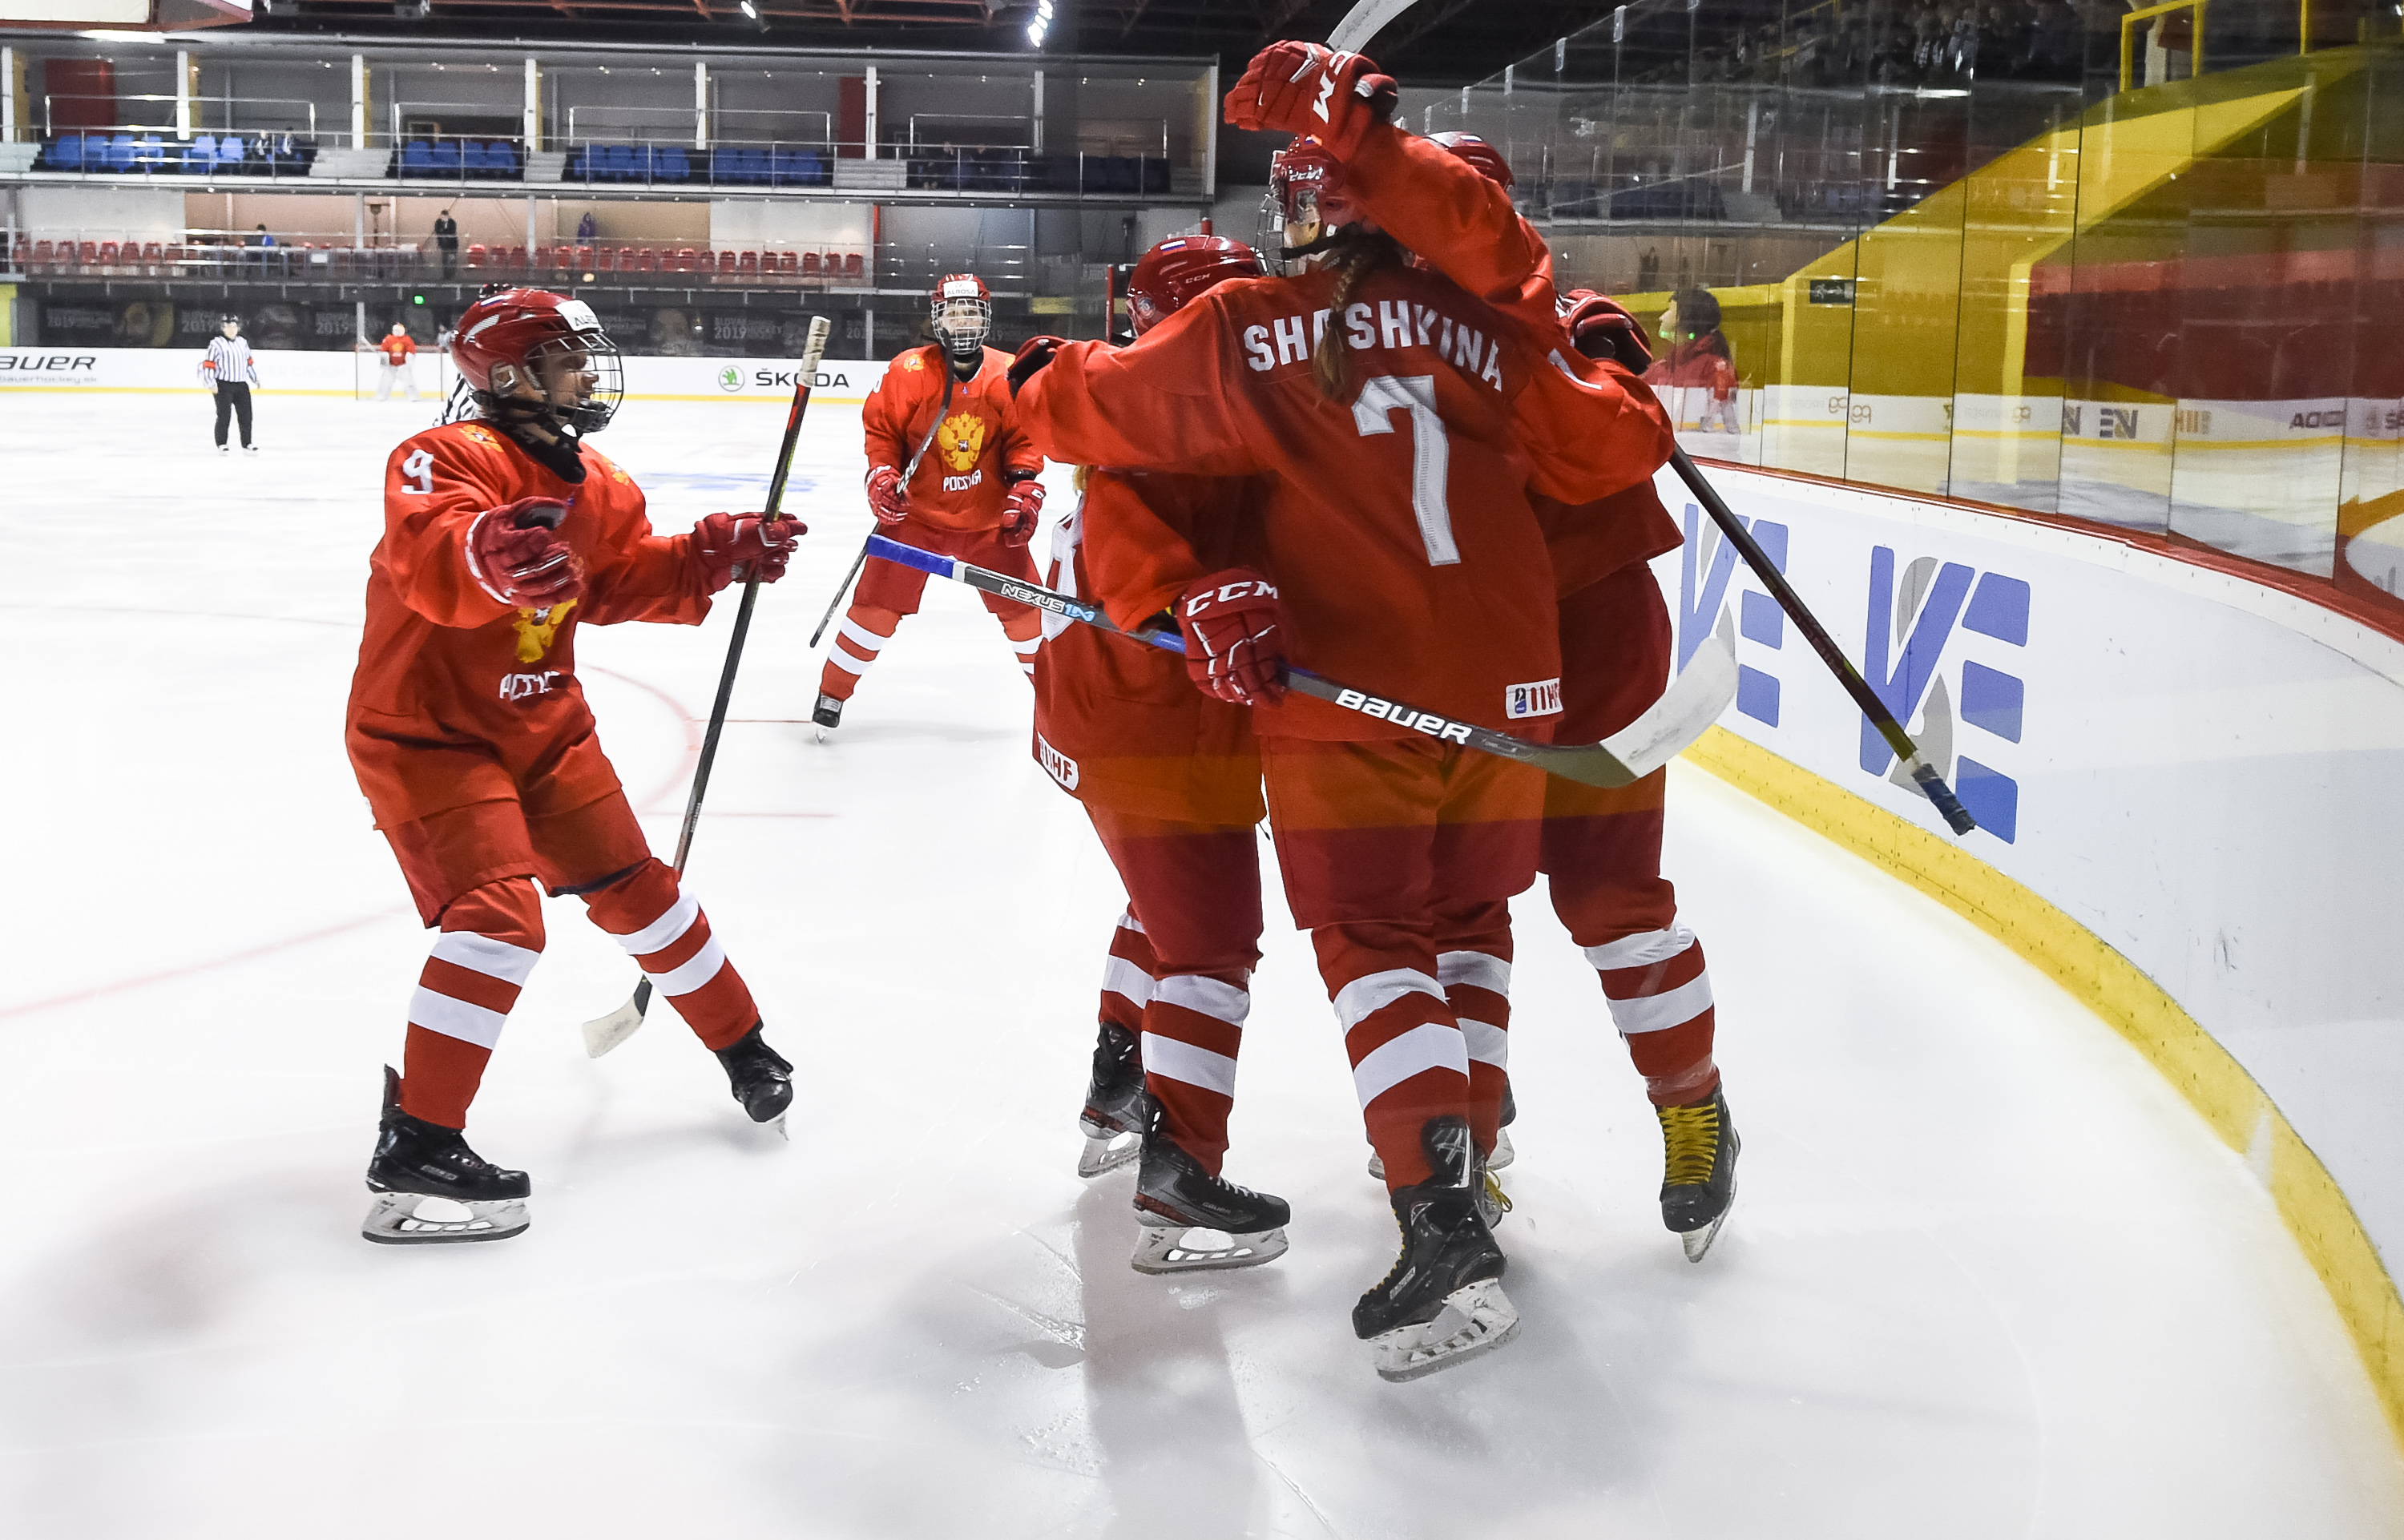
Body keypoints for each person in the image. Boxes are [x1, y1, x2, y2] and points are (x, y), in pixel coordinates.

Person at [1007, 126, 1670, 1377]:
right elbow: (1610, 453)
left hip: (1305, 698)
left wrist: (1022, 378)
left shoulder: (1251, 335)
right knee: (1228, 921)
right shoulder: (1487, 330)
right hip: (1344, 701)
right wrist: (1595, 353)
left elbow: (1079, 415)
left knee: (1291, 927)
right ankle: (1218, 1145)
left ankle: (1413, 1183)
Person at [1304, 96, 1740, 1263]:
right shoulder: (1354, 328)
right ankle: (1474, 1137)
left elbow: (1600, 398)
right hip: (1462, 648)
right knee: (1457, 905)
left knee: (1607, 897)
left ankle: (1692, 1105)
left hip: (1591, 643)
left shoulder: (1558, 317)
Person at [345, 288, 805, 1245]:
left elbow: (624, 576)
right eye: (569, 357)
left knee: (645, 891)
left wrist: (715, 555)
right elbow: (431, 549)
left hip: (543, 727)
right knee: (498, 918)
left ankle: (745, 1046)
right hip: (431, 733)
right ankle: (420, 1142)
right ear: (509, 376)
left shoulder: (600, 481)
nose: (591, 372)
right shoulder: (446, 459)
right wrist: (487, 554)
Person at [1035, 236, 1288, 1276]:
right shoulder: (1171, 417)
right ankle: (1181, 1171)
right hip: (1157, 729)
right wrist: (1193, 602)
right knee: (1215, 940)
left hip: (1098, 719)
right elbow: (1141, 556)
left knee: (1159, 908)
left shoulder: (1145, 394)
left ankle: (1115, 1087)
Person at [813, 273, 1047, 734]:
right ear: (937, 317)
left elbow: (1025, 440)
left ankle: (1060, 701)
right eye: (954, 311)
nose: (963, 320)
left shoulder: (1008, 372)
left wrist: (1024, 491)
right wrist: (882, 475)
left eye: (971, 311)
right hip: (915, 518)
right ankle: (832, 693)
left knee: (1026, 616)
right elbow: (882, 434)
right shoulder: (909, 372)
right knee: (874, 609)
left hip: (989, 521)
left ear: (985, 316)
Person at [1645, 287, 1740, 435]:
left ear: (1686, 319)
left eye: (1670, 311)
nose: (1661, 317)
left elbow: (1723, 422)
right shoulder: (1660, 366)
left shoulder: (1715, 368)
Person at [200, 313, 261, 454]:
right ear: (223, 328)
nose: (231, 329)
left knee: (246, 415)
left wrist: (254, 378)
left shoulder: (242, 342)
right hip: (223, 385)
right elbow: (209, 364)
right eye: (228, 327)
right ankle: (222, 443)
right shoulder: (216, 343)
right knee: (224, 415)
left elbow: (249, 362)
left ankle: (247, 443)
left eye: (234, 326)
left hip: (241, 384)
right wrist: (210, 383)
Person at [375, 321, 421, 402]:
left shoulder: (407, 339)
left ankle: (413, 395)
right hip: (391, 365)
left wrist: (409, 362)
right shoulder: (388, 339)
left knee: (409, 381)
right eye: (395, 330)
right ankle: (382, 395)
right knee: (385, 381)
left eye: (398, 330)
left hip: (403, 365)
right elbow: (384, 350)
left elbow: (411, 351)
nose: (397, 332)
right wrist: (384, 361)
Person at [434, 208, 460, 280]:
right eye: (442, 217)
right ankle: (445, 276)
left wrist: (443, 231)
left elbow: (452, 232)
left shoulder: (452, 222)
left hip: (452, 244)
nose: (443, 218)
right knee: (444, 260)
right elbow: (437, 231)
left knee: (452, 260)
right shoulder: (438, 222)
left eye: (445, 217)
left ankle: (452, 276)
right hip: (444, 244)